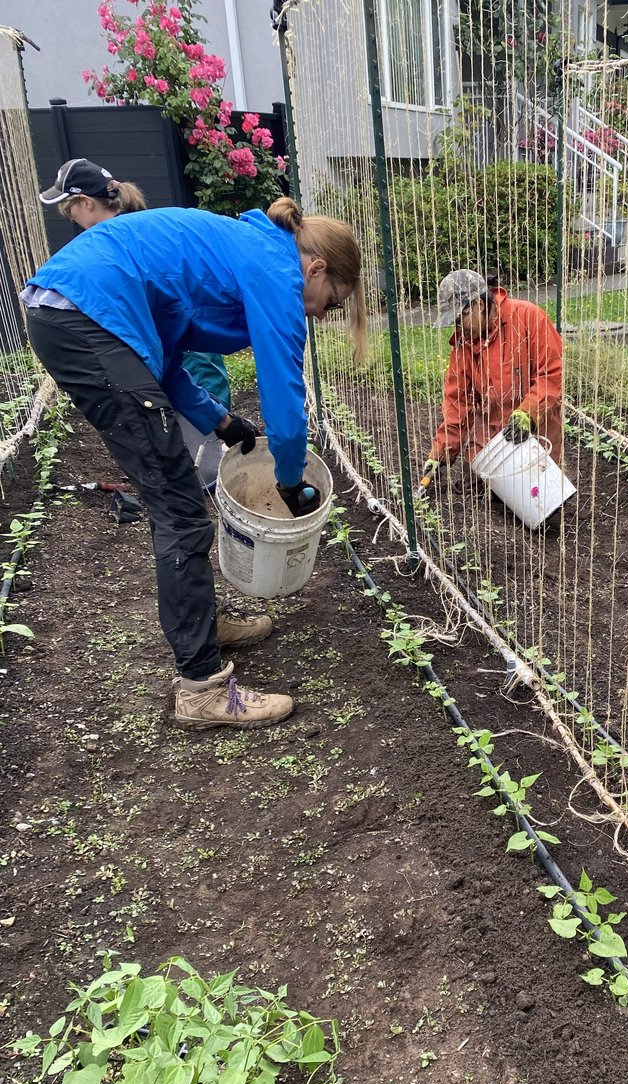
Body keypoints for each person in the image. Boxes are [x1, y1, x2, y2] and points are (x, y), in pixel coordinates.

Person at [22, 196, 366, 730]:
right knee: (179, 508)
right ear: (316, 268)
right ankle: (201, 689)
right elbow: (285, 399)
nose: (321, 313)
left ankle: (204, 623)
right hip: (86, 315)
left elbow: (164, 354)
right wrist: (291, 479)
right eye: (332, 300)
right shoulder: (277, 271)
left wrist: (221, 422)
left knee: (178, 497)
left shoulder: (252, 250)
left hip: (74, 311)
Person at [39, 158, 231, 490]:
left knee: (197, 383)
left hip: (187, 348)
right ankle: (202, 465)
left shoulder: (116, 249)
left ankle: (208, 471)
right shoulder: (124, 238)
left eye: (68, 207)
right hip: (179, 353)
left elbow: (169, 350)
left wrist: (218, 419)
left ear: (85, 203)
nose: (68, 217)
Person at [421, 269, 563, 491]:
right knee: (474, 489)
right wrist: (440, 451)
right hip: (491, 435)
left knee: (537, 496)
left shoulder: (528, 317)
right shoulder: (463, 344)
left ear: (478, 304)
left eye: (460, 318)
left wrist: (528, 414)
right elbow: (458, 401)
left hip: (537, 433)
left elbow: (552, 375)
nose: (458, 326)